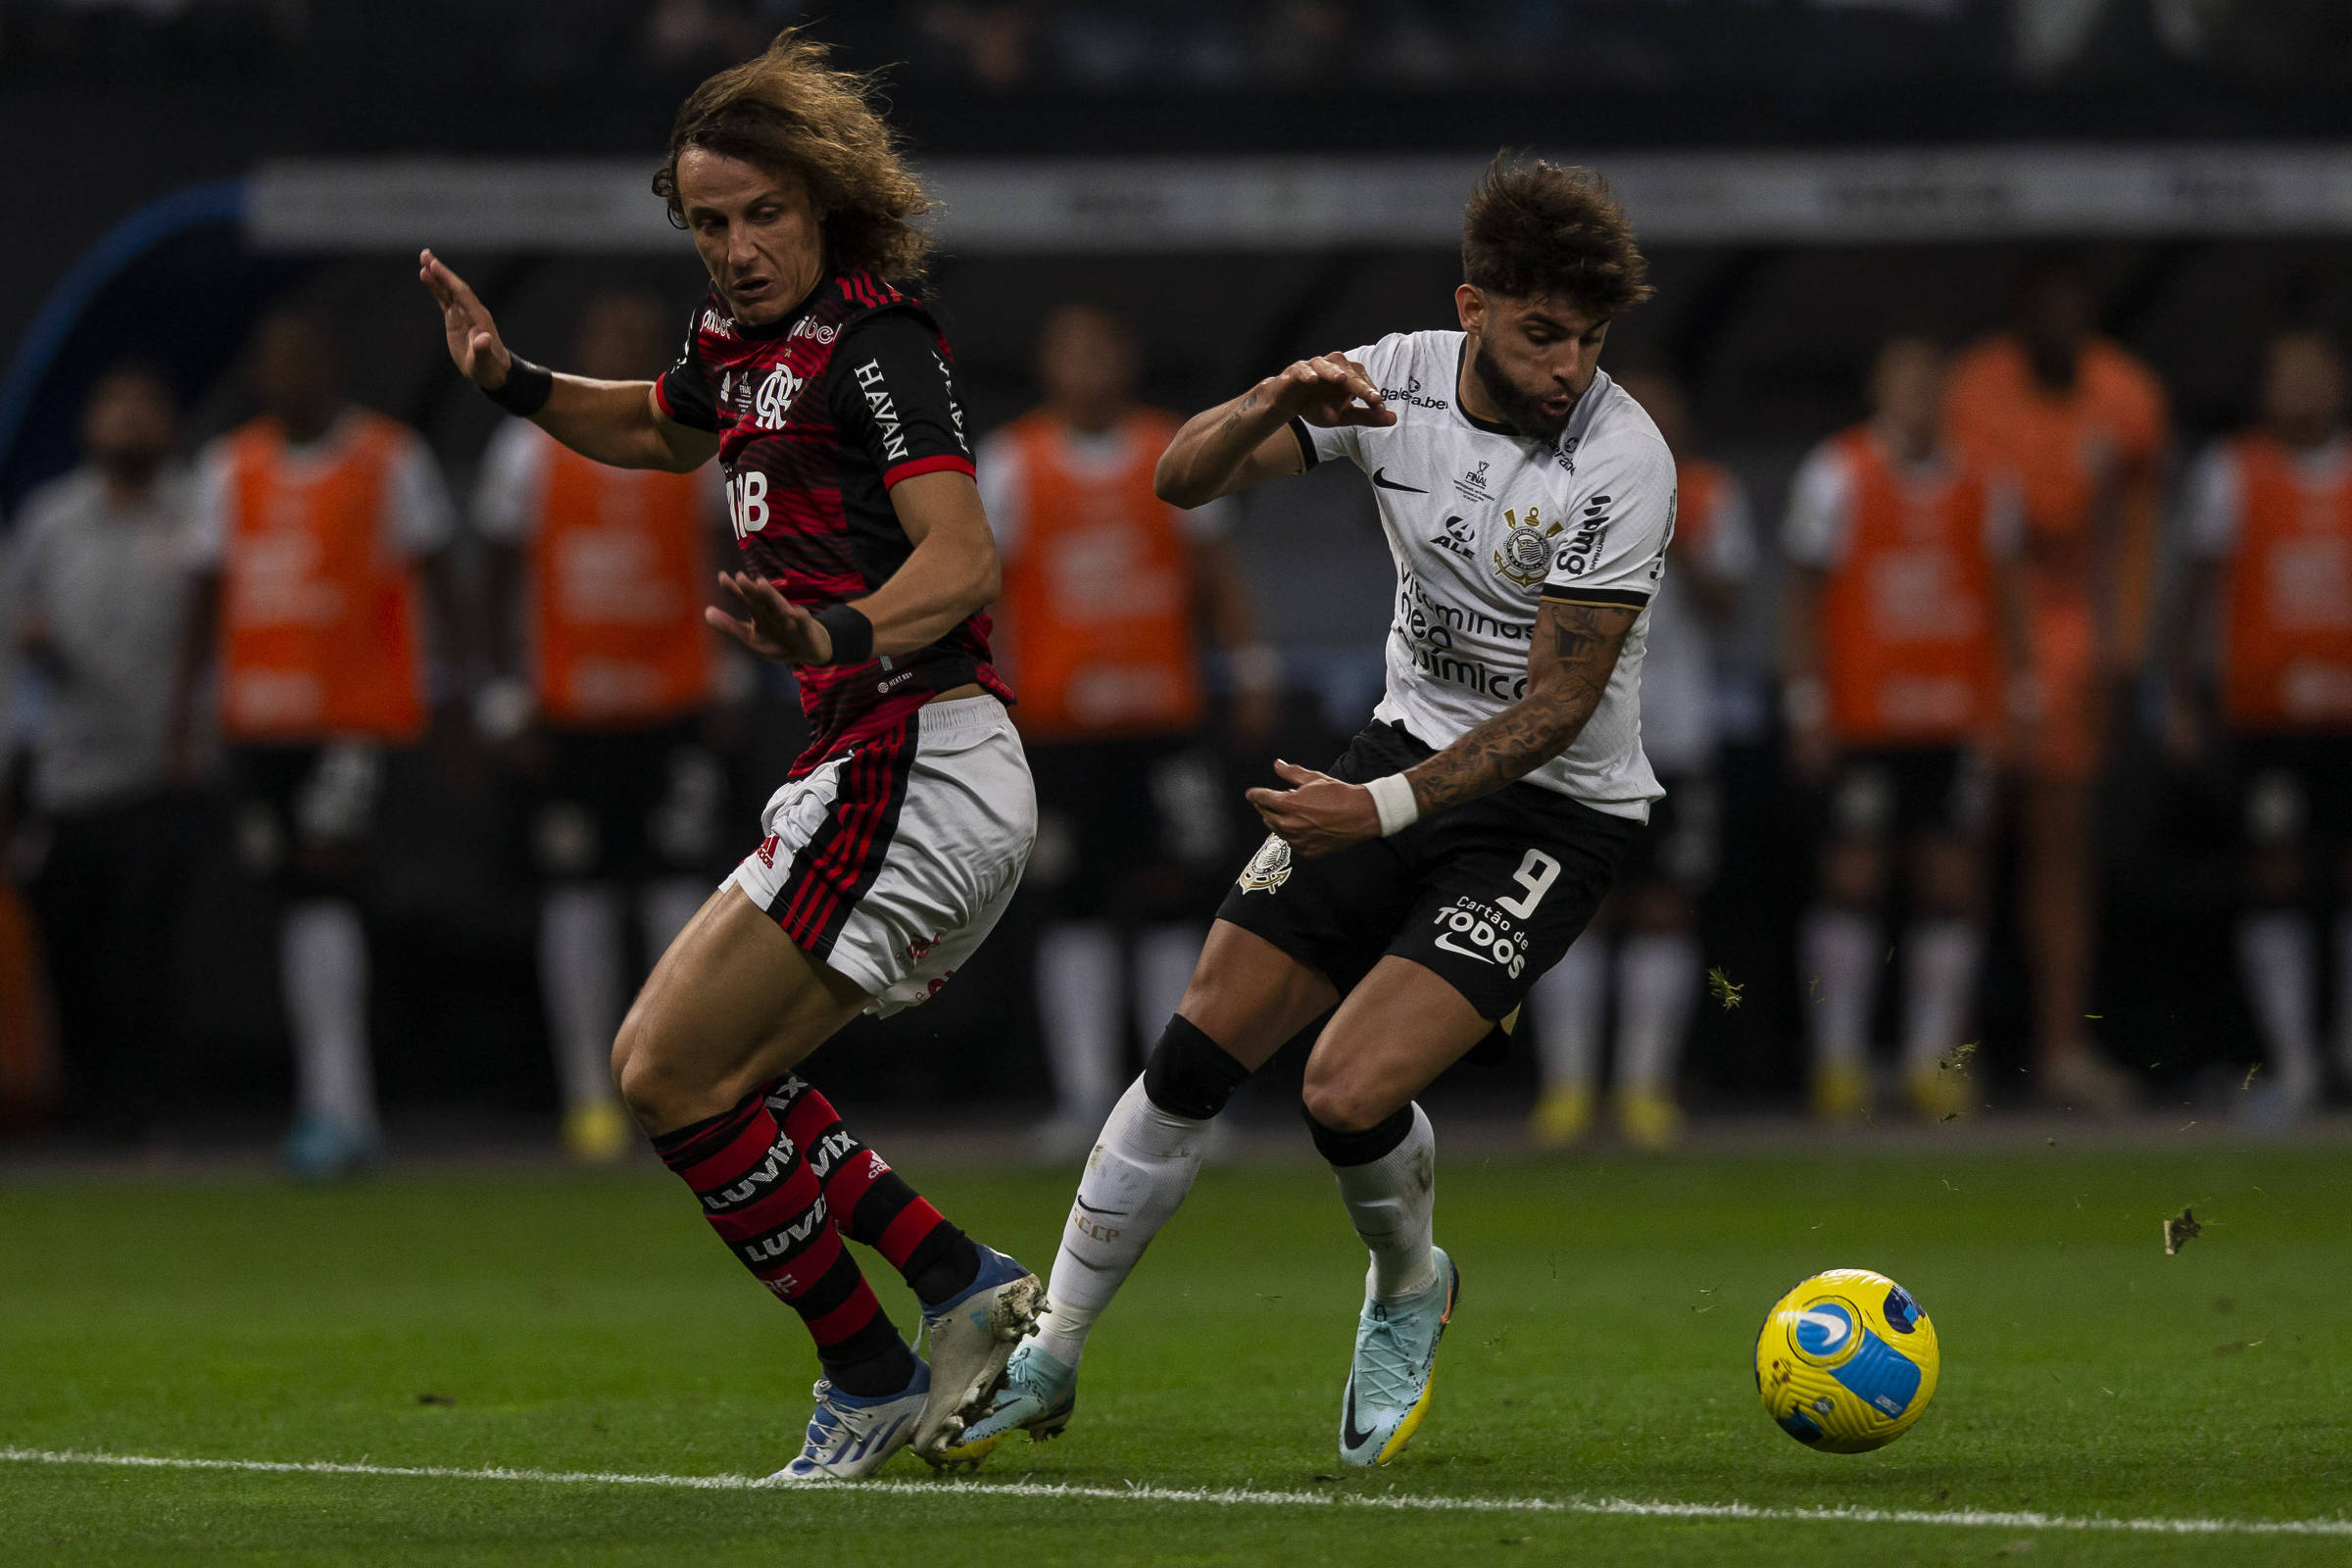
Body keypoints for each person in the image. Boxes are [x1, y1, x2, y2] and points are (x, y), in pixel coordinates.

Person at [951, 156, 1671, 1470]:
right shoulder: (1389, 375)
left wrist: (1380, 810)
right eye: (1542, 332)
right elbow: (1179, 482)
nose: (1570, 365)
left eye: (1589, 338)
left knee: (1341, 1093)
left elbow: (1558, 711)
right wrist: (1270, 399)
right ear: (1473, 307)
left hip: (1552, 811)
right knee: (1196, 1047)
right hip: (1396, 748)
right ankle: (1048, 1351)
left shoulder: (1624, 459)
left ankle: (1410, 1284)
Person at [419, 30, 1042, 1482]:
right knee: (711, 1076)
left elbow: (962, 561)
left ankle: (871, 1372)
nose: (740, 247)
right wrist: (510, 377)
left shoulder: (878, 350)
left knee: (660, 1075)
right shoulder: (734, 346)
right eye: (711, 222)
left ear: (822, 205)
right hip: (873, 763)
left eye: (764, 215)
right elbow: (651, 434)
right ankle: (953, 1280)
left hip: (918, 754)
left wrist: (834, 638)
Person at [167, 310, 467, 1180]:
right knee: (297, 900)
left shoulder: (390, 458)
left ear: (335, 366)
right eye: (272, 360)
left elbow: (438, 582)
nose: (286, 373)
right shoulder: (231, 468)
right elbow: (204, 597)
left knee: (326, 886)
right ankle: (328, 1104)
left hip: (355, 719)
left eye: (302, 356)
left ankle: (342, 1110)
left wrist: (462, 701)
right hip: (261, 720)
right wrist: (186, 713)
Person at [975, 302, 1279, 1152]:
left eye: (1103, 348)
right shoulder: (1010, 462)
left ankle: (1178, 1102)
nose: (1089, 366)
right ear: (1048, 365)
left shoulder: (1170, 448)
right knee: (1069, 907)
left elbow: (1218, 575)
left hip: (1163, 720)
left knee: (1177, 901)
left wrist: (1252, 670)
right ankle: (1082, 1099)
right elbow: (986, 592)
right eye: (1072, 350)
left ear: (1128, 358)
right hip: (1060, 727)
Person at [475, 288, 737, 1163]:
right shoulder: (525, 449)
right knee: (577, 899)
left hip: (674, 707)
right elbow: (497, 581)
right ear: (580, 344)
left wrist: (732, 678)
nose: (623, 344)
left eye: (638, 332)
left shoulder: (698, 443)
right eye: (606, 331)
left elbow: (731, 561)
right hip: (569, 713)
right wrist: (503, 697)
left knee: (680, 897)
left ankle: (679, 1087)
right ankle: (589, 1096)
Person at [1944, 256, 2167, 1111]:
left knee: (2061, 855)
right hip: (1976, 630)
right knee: (1960, 856)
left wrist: (2125, 647)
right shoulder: (1975, 387)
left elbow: (2137, 532)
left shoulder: (2128, 396)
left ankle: (2063, 1046)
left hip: (2072, 634)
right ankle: (1949, 1054)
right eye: (2044, 304)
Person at [1783, 336, 2010, 1122]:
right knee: (1852, 880)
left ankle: (1929, 1065)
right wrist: (1806, 703)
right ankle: (1840, 1065)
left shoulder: (1983, 478)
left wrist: (2012, 697)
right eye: (1904, 382)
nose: (1919, 397)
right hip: (1861, 717)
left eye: (1930, 382)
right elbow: (1803, 595)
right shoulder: (1837, 472)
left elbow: (2003, 595)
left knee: (1950, 888)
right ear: (1879, 388)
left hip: (1951, 715)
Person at [1527, 368, 1752, 1151]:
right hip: (1582, 730)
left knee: (1665, 906)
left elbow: (1729, 608)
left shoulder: (1711, 494)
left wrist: (1678, 537)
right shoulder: (1560, 486)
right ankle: (1567, 1093)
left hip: (1676, 733)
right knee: (1577, 910)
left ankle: (1645, 1093)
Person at [2, 365, 197, 1137]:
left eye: (143, 408)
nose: (127, 423)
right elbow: (18, 644)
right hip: (70, 771)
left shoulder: (197, 514)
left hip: (163, 767)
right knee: (72, 947)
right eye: (113, 407)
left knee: (145, 950)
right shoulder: (51, 522)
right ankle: (76, 1104)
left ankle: (146, 1108)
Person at [2166, 330, 2352, 1122]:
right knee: (2274, 875)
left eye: (2317, 373)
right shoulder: (2229, 471)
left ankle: (2346, 1053)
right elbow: (2191, 594)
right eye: (2288, 376)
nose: (2303, 390)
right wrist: (2178, 695)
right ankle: (2294, 1061)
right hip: (2267, 716)